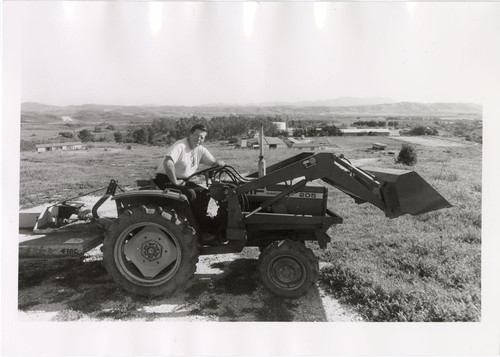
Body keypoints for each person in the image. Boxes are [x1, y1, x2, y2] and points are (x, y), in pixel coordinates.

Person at [154, 124, 225, 234]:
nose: (199, 139)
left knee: (205, 193)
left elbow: (213, 162)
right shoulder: (180, 146)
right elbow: (168, 163)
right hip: (166, 179)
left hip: (183, 180)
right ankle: (192, 226)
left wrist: (219, 163)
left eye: (202, 137)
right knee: (190, 194)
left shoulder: (200, 149)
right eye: (197, 135)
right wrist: (175, 182)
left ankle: (202, 221)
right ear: (190, 134)